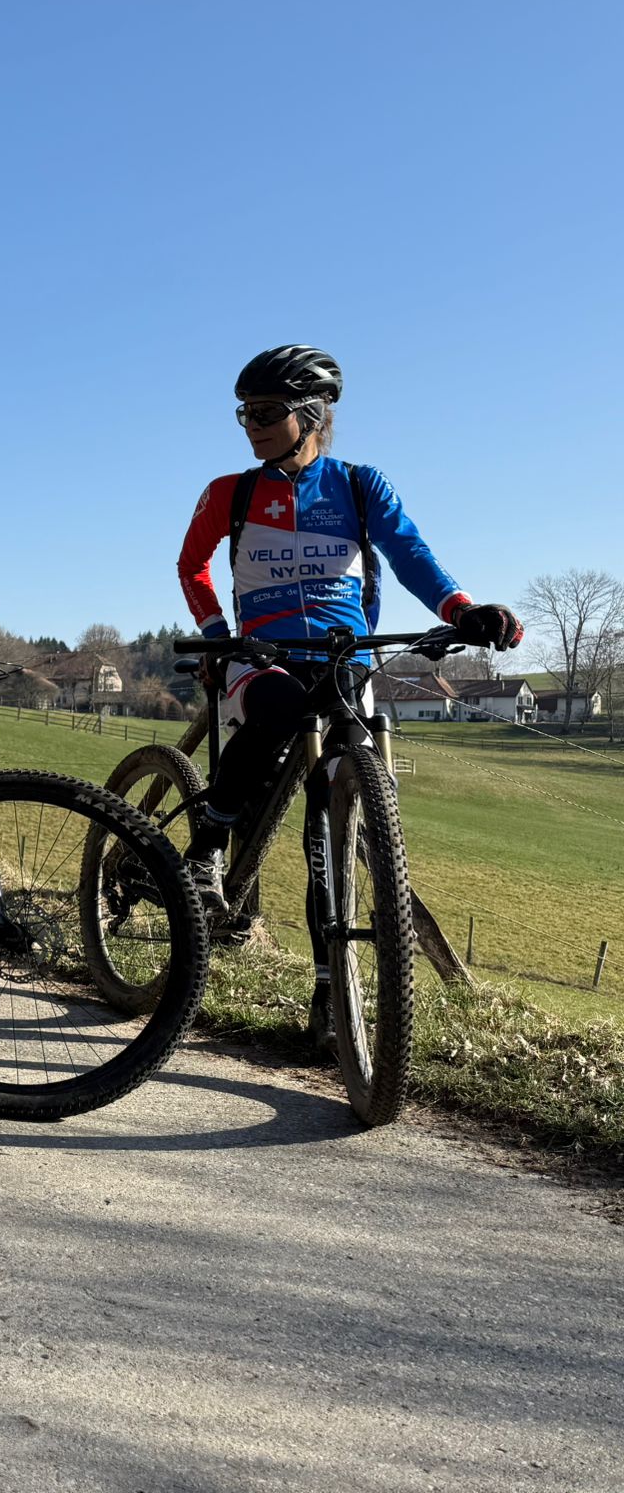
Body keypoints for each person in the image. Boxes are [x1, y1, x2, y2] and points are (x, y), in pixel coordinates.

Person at [176, 344, 522, 1041]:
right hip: (262, 656)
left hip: (341, 661)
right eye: (244, 411)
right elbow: (192, 564)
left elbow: (411, 554)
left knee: (327, 829)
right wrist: (218, 636)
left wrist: (461, 610)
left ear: (311, 415)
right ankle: (208, 842)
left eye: (266, 411)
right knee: (272, 711)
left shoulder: (361, 487)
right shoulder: (230, 492)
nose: (251, 424)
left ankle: (330, 992)